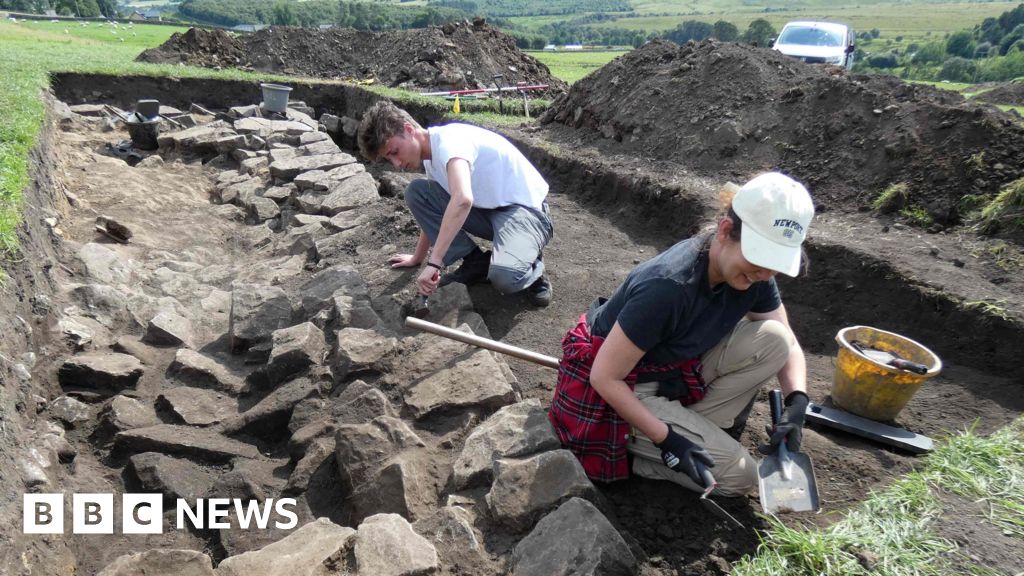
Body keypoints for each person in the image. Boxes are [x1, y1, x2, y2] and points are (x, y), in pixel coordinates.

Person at [548, 172, 814, 496]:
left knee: (775, 340)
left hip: (674, 369)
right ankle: (637, 454)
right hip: (623, 388)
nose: (766, 273)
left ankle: (688, 429)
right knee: (742, 478)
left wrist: (797, 402)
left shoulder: (754, 274)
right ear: (726, 230)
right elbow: (604, 378)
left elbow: (787, 339)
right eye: (760, 258)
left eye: (775, 263)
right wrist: (668, 440)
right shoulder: (668, 287)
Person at [356, 101, 554, 307]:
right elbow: (438, 212)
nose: (396, 164)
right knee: (418, 192)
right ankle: (475, 262)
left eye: (394, 151)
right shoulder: (430, 157)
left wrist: (435, 262)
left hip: (526, 213)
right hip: (490, 211)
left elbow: (462, 200)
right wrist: (418, 257)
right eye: (389, 159)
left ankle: (533, 264)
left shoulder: (450, 144)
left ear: (408, 130)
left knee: (505, 277)